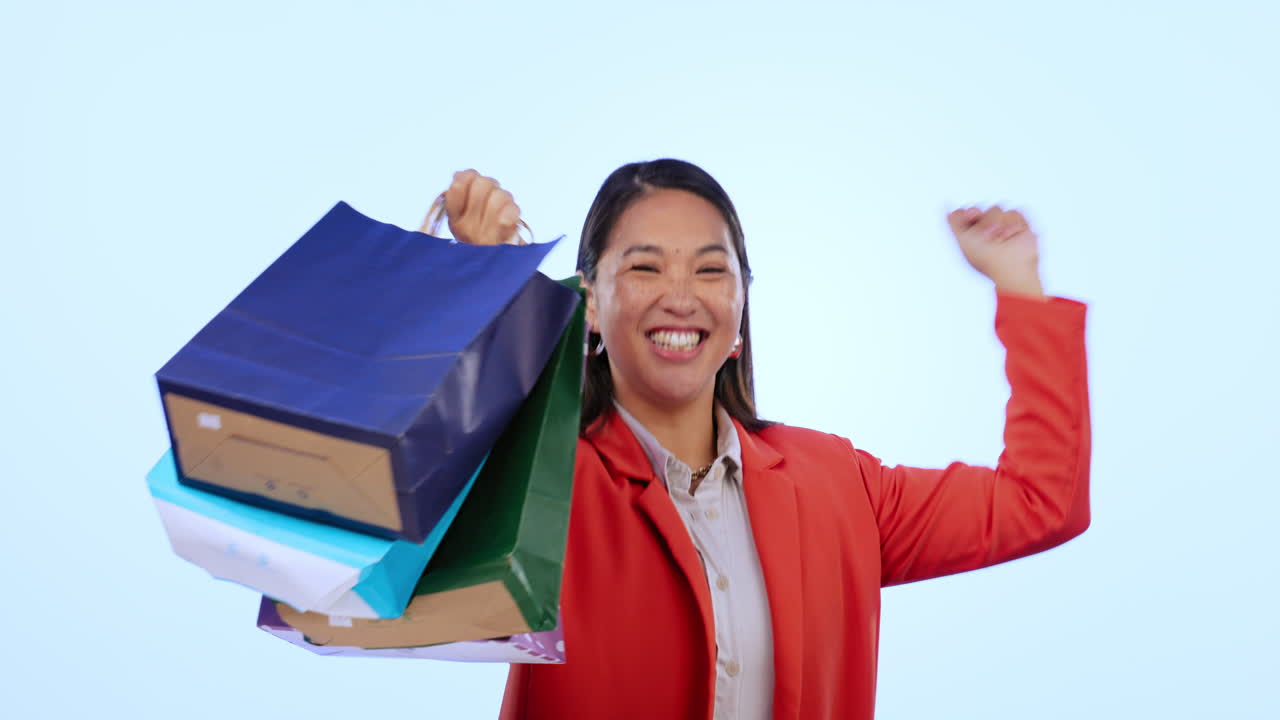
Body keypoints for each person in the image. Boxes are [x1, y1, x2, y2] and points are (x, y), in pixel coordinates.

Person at [441, 159, 1090, 720]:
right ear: (590, 307)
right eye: (645, 267)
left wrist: (1018, 285)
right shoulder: (545, 481)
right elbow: (423, 495)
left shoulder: (838, 484)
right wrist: (488, 289)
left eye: (710, 270)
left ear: (740, 313)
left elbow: (1040, 500)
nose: (680, 296)